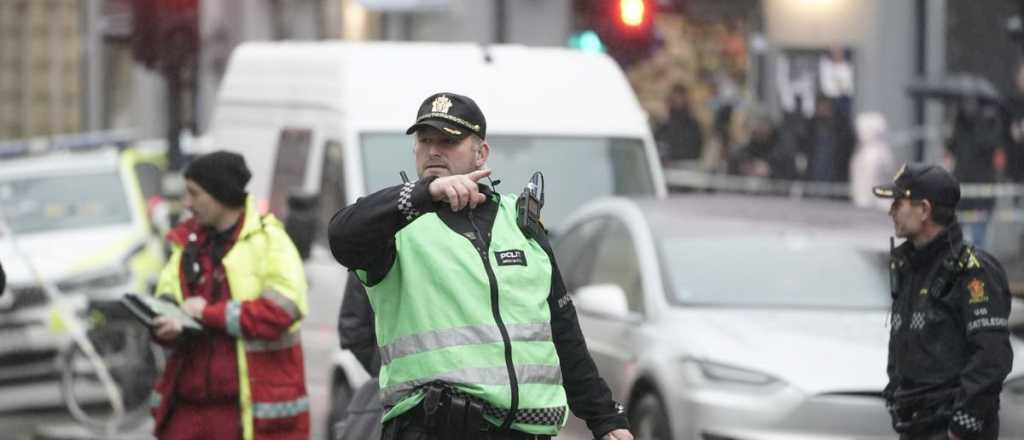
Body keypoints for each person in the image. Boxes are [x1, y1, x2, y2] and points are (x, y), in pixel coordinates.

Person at [328, 92, 633, 440]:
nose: (434, 150)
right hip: (435, 430)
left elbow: (563, 330)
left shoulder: (521, 224)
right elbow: (342, 234)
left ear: (481, 153)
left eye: (449, 140)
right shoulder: (396, 226)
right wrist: (422, 194)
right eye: (425, 140)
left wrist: (606, 418)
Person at [150, 151, 310, 440]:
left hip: (247, 413)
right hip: (188, 409)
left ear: (219, 194)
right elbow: (166, 296)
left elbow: (283, 310)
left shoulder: (270, 241)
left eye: (194, 194)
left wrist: (208, 313)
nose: (187, 204)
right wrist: (166, 323)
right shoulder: (186, 243)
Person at [872, 163, 1013, 440]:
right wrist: (895, 397)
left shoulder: (973, 271)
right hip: (912, 427)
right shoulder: (908, 266)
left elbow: (991, 358)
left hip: (951, 430)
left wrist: (959, 428)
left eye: (898, 203)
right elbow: (902, 345)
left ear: (924, 210)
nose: (891, 212)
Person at [849, 112, 896, 210]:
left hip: (873, 204)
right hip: (874, 203)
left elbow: (870, 182)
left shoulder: (872, 154)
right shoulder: (883, 151)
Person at [655, 84, 704, 164]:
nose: (678, 101)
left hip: (687, 166)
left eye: (680, 98)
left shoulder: (693, 125)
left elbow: (696, 149)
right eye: (675, 99)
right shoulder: (663, 126)